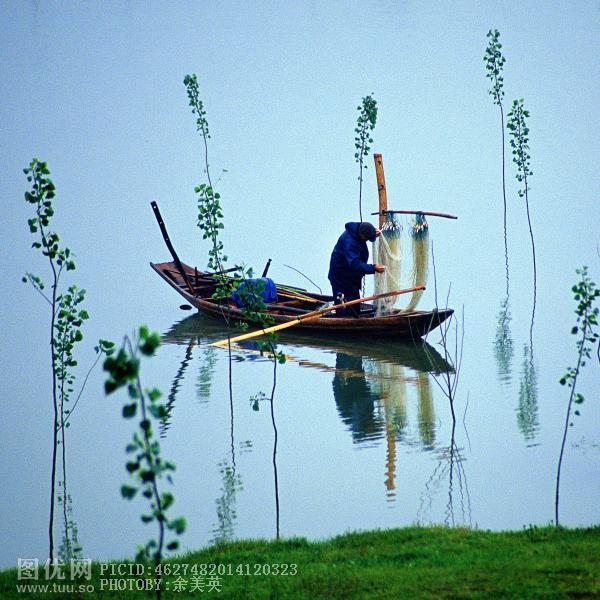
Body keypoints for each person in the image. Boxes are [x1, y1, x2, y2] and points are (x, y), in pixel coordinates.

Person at [328, 222, 385, 317]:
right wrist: (373, 268)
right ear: (362, 235)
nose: (367, 240)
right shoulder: (349, 241)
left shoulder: (359, 230)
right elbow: (354, 264)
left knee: (355, 308)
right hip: (341, 279)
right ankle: (343, 322)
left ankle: (354, 319)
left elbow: (366, 228)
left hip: (352, 278)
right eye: (367, 238)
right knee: (344, 310)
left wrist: (372, 233)